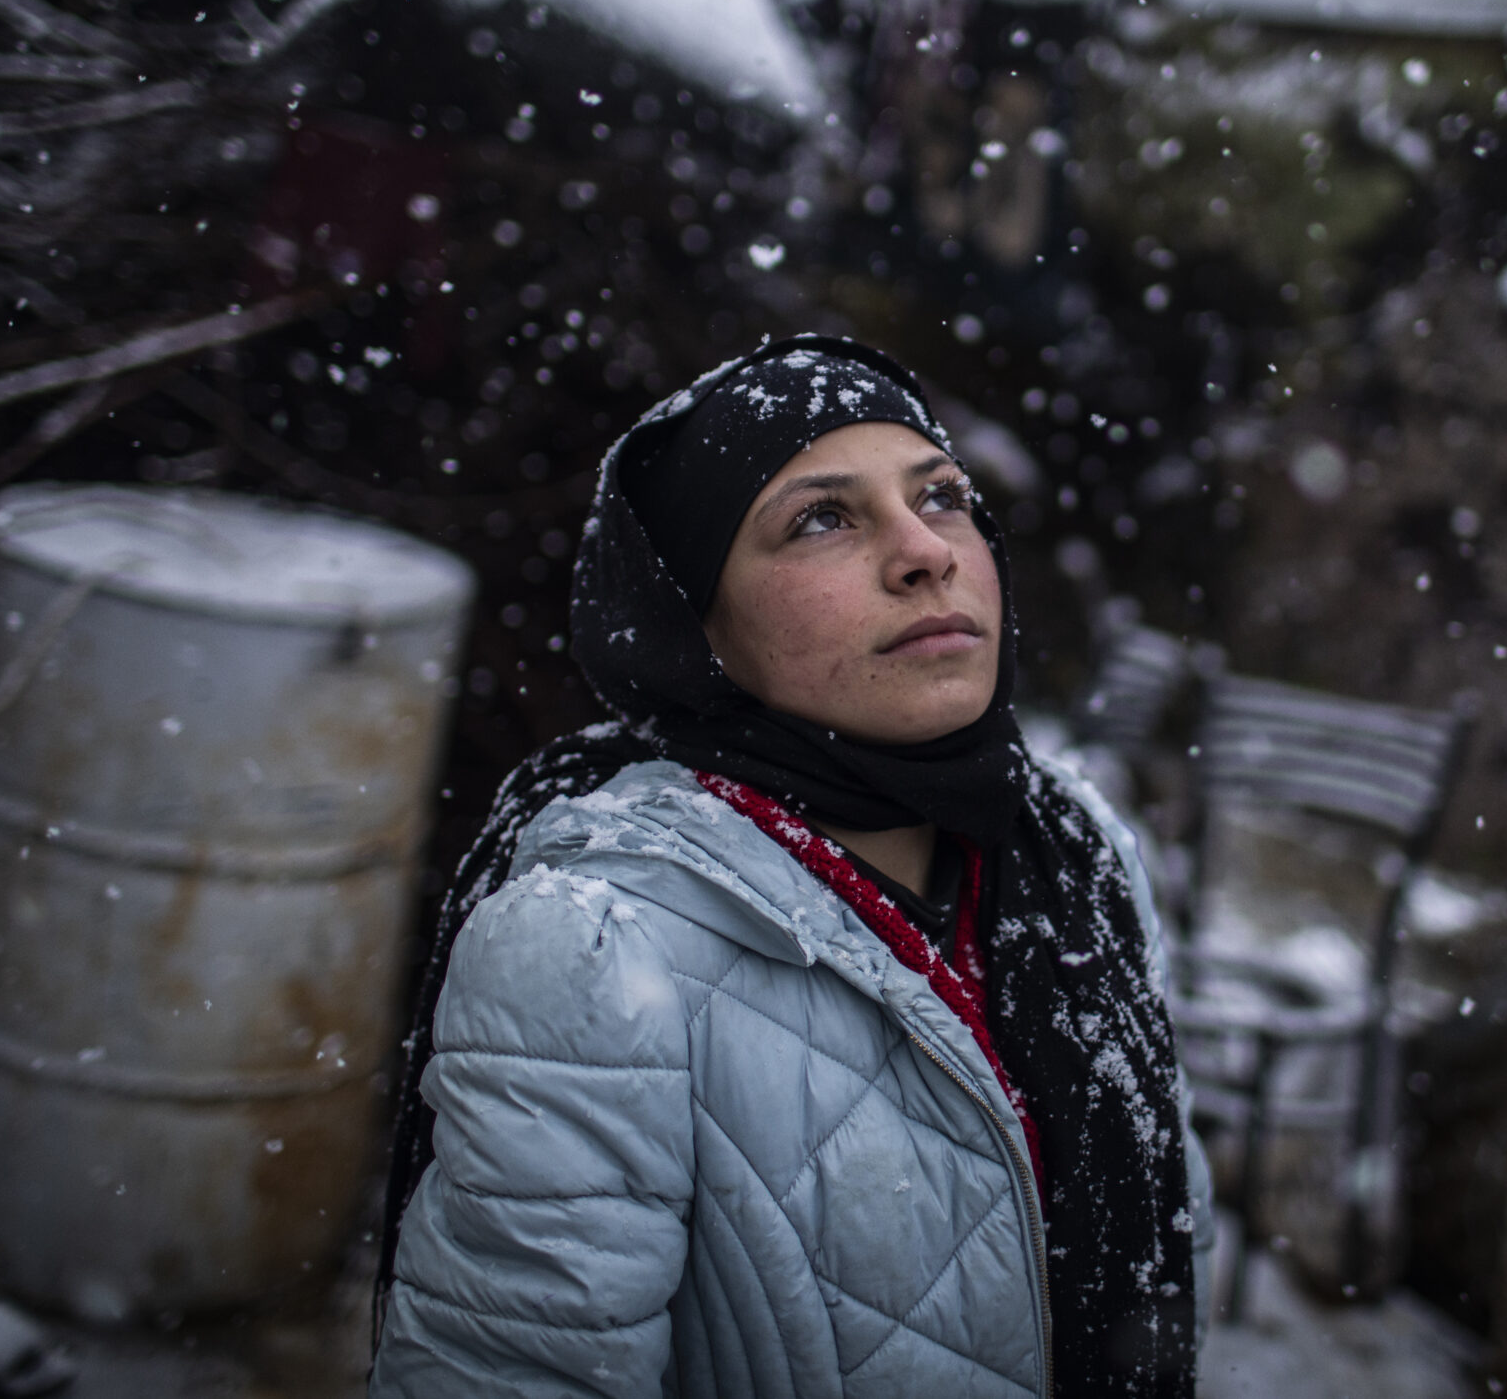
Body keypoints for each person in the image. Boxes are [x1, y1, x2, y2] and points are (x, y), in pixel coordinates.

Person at [371, 335, 1213, 1398]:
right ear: (693, 630)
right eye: (822, 518)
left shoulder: (1073, 861)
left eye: (943, 497)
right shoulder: (593, 943)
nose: (924, 552)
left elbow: (1176, 1247)